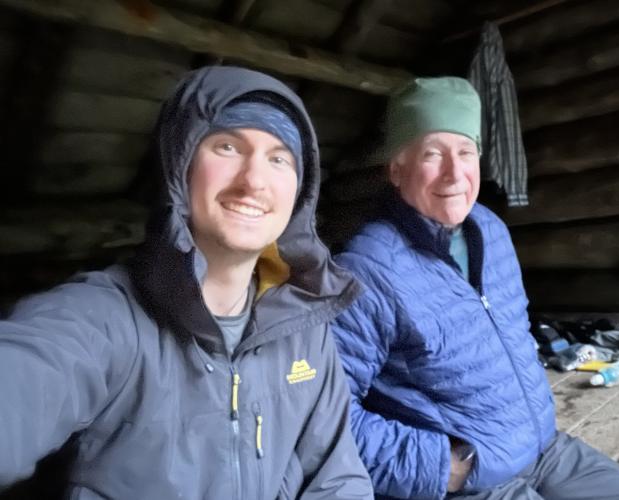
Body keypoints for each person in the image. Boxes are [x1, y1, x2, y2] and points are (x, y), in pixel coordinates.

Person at [0, 66, 373, 499]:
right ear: (181, 167)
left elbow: (338, 478)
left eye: (278, 159)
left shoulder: (304, 332)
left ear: (299, 193)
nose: (254, 181)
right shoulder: (103, 319)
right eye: (228, 147)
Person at [331, 77, 619, 499]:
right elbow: (325, 415)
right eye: (433, 154)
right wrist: (443, 468)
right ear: (396, 169)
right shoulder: (366, 270)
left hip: (546, 448)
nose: (455, 173)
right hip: (470, 483)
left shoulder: (489, 230)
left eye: (465, 152)